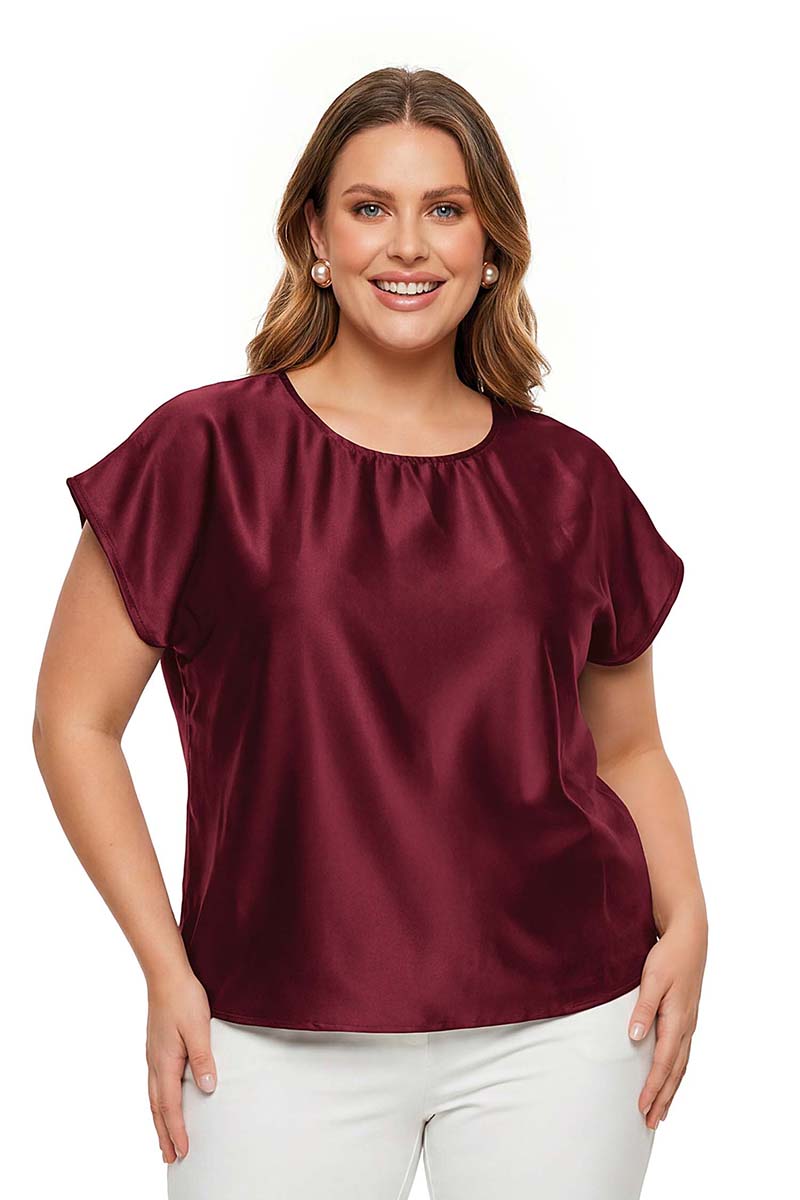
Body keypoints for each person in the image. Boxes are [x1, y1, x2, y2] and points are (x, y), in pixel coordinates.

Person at [33, 66, 707, 1200]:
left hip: (567, 1026)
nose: (407, 245)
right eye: (368, 207)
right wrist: (164, 966)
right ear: (314, 235)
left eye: (444, 208)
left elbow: (629, 748)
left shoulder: (568, 481)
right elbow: (73, 723)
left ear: (490, 246)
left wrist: (687, 919)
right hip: (268, 1023)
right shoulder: (202, 455)